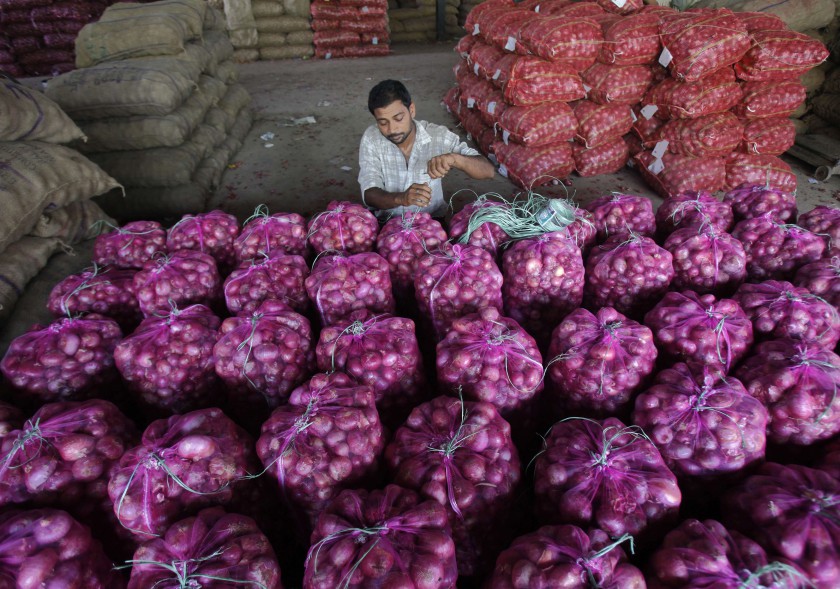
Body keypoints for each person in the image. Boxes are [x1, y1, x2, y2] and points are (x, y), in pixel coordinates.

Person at [358, 79, 496, 219]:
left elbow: (488, 171)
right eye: (383, 123)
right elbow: (369, 193)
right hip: (387, 223)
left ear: (411, 110)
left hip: (432, 222)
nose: (392, 129)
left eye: (398, 118)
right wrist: (401, 199)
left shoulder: (438, 136)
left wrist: (455, 159)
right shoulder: (372, 138)